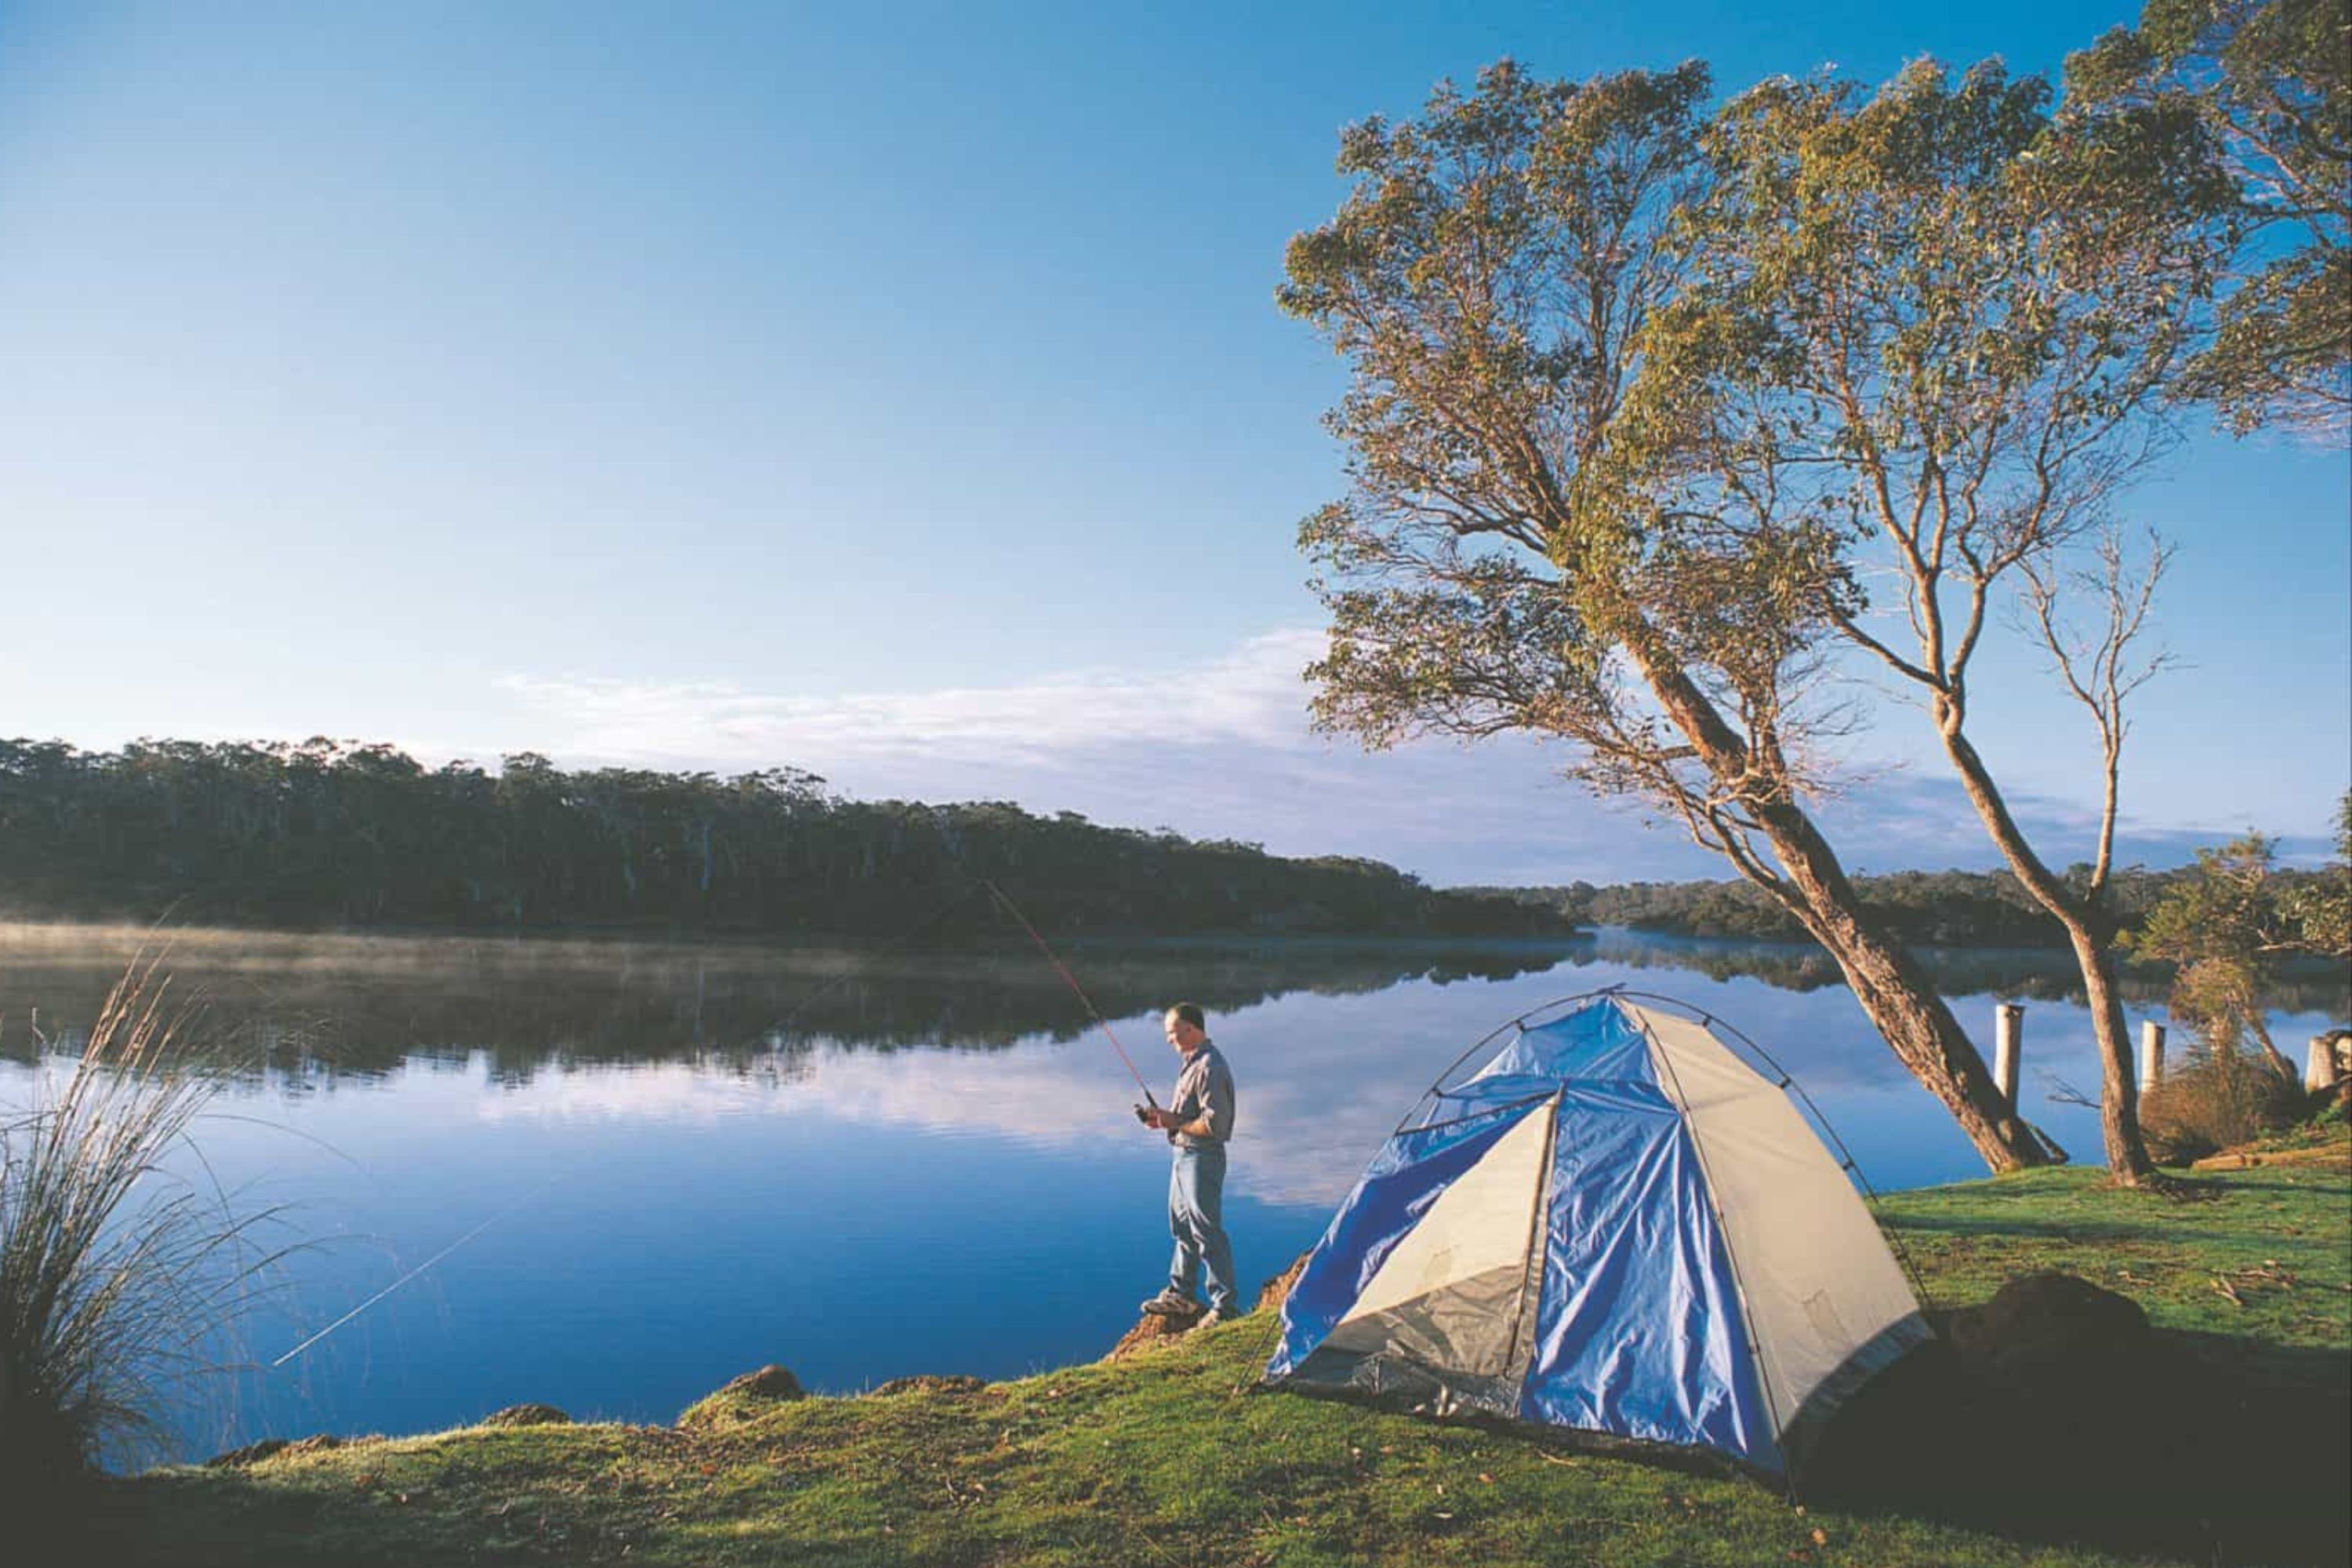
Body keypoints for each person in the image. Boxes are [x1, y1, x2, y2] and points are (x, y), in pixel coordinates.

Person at [1137, 1002, 1241, 1327]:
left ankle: (1224, 1307)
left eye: (1172, 1032)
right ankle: (1181, 1295)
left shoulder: (1212, 1067)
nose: (1169, 1039)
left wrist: (1175, 1121)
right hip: (1183, 1155)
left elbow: (1216, 1127)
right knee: (1182, 1228)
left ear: (1191, 1029)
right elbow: (1187, 1117)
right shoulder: (1191, 1062)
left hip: (1202, 1158)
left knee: (1206, 1231)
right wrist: (1163, 1121)